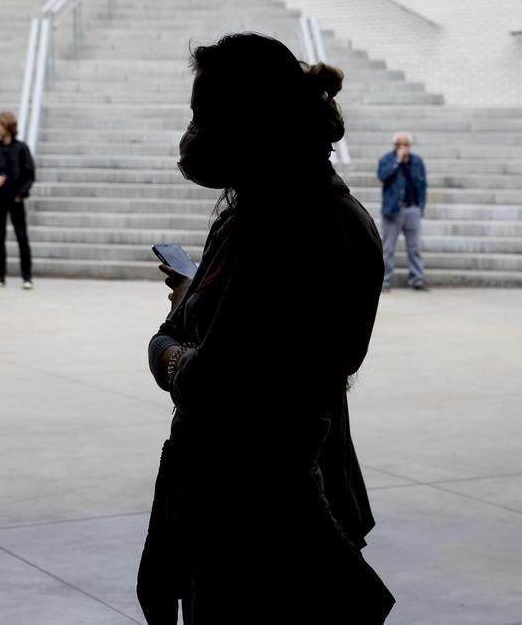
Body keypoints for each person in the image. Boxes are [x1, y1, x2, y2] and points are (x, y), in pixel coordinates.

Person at [139, 33, 395, 624]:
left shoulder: (296, 226)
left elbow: (208, 380)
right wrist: (194, 319)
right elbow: (187, 341)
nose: (195, 136)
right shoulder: (255, 213)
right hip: (240, 504)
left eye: (206, 118)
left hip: (270, 519)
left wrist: (177, 354)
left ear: (251, 122)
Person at [0, 111, 35, 289]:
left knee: (21, 237)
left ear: (9, 127)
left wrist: (21, 194)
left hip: (16, 199)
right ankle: (0, 276)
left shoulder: (21, 148)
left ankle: (27, 277)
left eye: (0, 124)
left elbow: (30, 175)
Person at [376, 132, 428, 291]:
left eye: (406, 145)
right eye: (400, 145)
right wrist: (397, 160)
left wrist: (420, 206)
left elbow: (422, 184)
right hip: (393, 210)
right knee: (388, 248)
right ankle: (384, 282)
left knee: (414, 247)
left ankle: (417, 280)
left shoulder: (417, 161)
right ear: (395, 146)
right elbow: (382, 176)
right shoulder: (387, 160)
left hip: (412, 208)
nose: (403, 148)